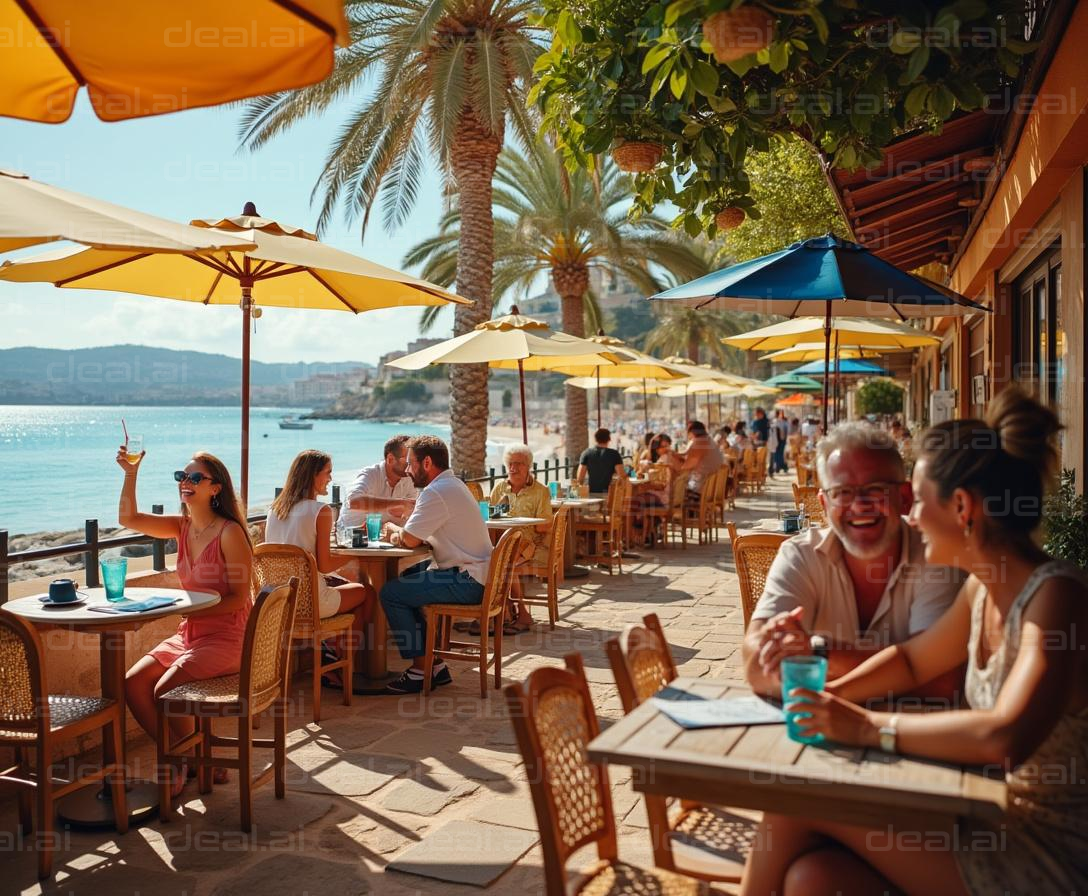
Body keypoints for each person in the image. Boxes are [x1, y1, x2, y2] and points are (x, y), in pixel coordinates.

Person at [741, 388, 1088, 896]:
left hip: (1047, 853)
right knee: (810, 879)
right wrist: (832, 701)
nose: (912, 516)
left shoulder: (1056, 596)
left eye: (919, 500)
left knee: (798, 798)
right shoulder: (982, 588)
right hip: (988, 816)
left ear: (963, 508)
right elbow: (908, 662)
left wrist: (866, 728)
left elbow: (1003, 736)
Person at [742, 422, 964, 699]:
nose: (859, 505)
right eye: (843, 492)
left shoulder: (935, 554)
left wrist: (817, 654)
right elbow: (756, 667)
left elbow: (941, 681)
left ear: (904, 497)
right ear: (824, 506)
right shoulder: (800, 555)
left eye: (875, 489)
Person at [117, 448, 253, 797]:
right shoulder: (181, 526)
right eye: (182, 476)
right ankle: (191, 757)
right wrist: (131, 473)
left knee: (165, 690)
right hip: (190, 634)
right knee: (133, 683)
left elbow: (239, 598)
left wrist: (186, 612)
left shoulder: (229, 532)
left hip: (229, 637)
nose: (186, 483)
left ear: (215, 488)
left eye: (195, 478)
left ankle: (181, 760)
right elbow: (128, 518)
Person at [379, 435, 494, 694]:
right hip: (476, 573)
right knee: (408, 578)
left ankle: (420, 669)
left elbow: (409, 539)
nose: (408, 470)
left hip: (467, 580)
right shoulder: (454, 485)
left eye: (411, 463)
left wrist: (391, 531)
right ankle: (435, 665)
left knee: (391, 593)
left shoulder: (437, 491)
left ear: (427, 462)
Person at [265, 450, 376, 685]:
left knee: (343, 586)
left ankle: (330, 651)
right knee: (366, 592)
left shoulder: (274, 510)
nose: (330, 478)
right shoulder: (320, 511)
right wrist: (351, 554)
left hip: (282, 603)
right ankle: (340, 664)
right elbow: (324, 565)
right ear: (312, 476)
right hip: (311, 603)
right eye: (327, 472)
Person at [487, 443, 551, 633]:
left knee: (504, 563)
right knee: (498, 560)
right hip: (504, 542)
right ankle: (508, 612)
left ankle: (514, 612)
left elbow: (545, 525)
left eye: (519, 464)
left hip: (530, 545)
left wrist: (523, 523)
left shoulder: (540, 491)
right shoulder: (499, 489)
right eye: (510, 464)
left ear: (528, 466)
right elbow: (492, 518)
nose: (513, 468)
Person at [338, 434, 417, 531]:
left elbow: (411, 510)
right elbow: (353, 501)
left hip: (386, 540)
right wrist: (399, 503)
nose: (413, 464)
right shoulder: (370, 474)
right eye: (408, 460)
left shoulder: (409, 478)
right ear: (390, 459)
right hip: (353, 539)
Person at [673, 420, 724, 505]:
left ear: (692, 432)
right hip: (711, 488)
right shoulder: (708, 440)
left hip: (699, 490)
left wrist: (673, 468)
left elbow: (687, 466)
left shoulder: (699, 443)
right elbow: (693, 457)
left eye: (688, 430)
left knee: (671, 490)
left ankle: (675, 514)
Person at [576, 427, 625, 496]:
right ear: (609, 439)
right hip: (608, 493)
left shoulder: (586, 453)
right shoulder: (614, 454)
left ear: (595, 439)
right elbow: (622, 475)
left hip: (591, 493)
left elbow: (580, 478)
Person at [769, 409, 789, 475]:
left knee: (780, 454)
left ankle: (780, 466)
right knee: (777, 454)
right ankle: (780, 466)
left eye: (782, 413)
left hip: (782, 439)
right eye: (780, 413)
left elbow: (787, 430)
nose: (781, 414)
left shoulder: (784, 421)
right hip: (776, 440)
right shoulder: (775, 421)